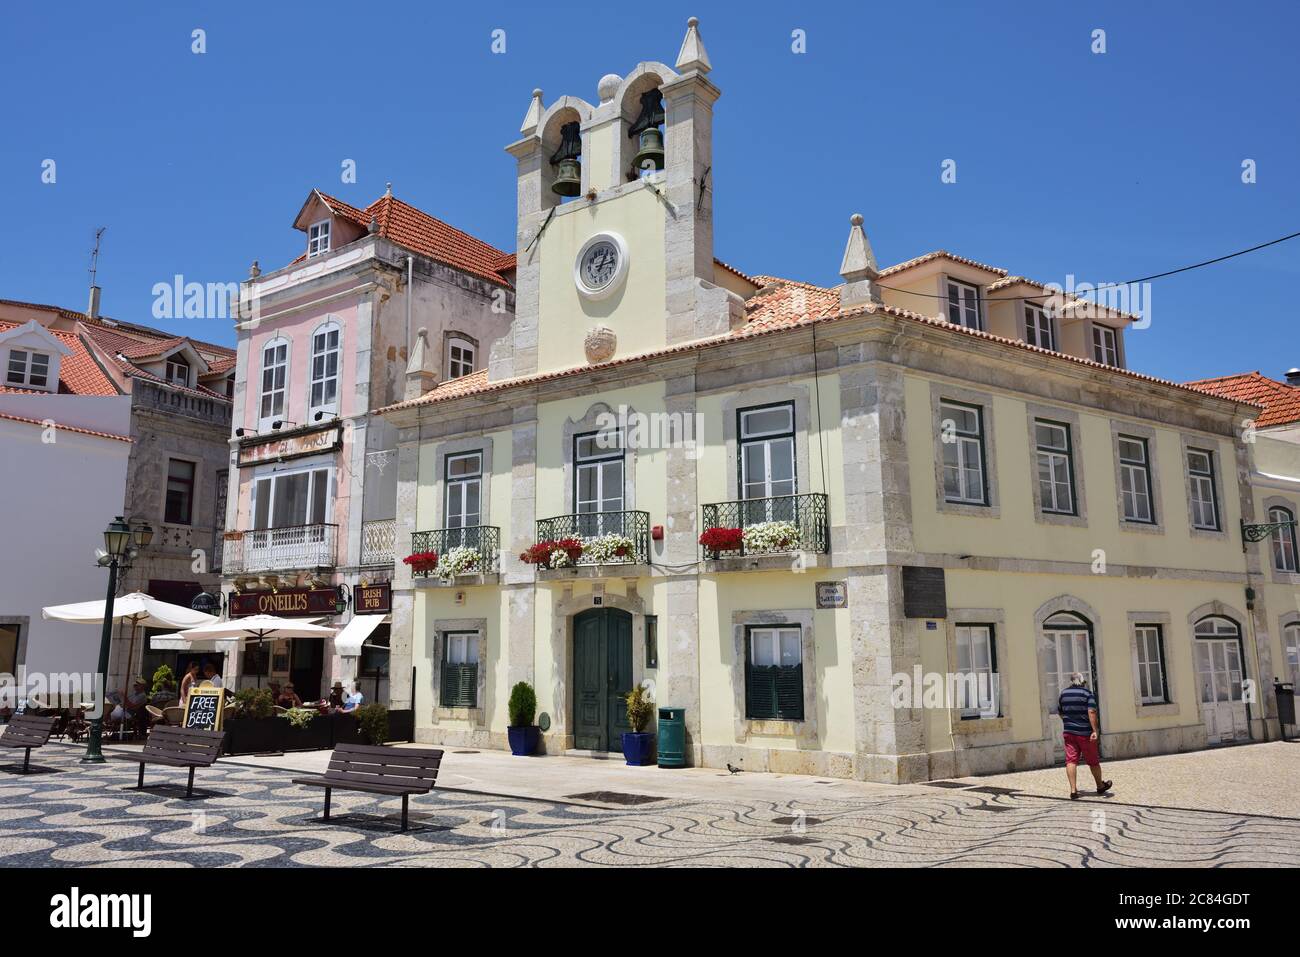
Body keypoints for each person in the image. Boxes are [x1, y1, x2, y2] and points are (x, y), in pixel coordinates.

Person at [1058, 672, 1112, 800]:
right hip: (1085, 734)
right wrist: (1095, 730)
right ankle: (1100, 786)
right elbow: (1091, 712)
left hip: (1069, 733)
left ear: (1071, 682)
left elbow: (1060, 712)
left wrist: (1069, 722)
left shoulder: (1063, 694)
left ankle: (1073, 790)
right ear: (1082, 682)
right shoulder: (1087, 694)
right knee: (1093, 761)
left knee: (1071, 761)